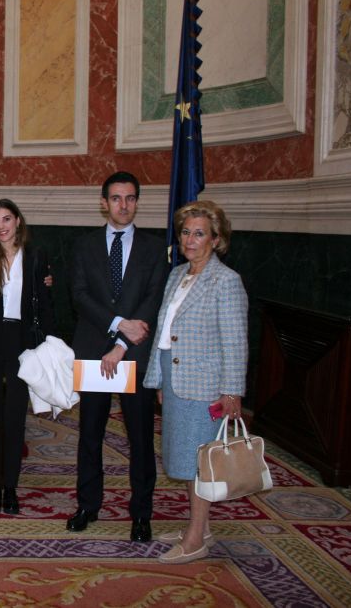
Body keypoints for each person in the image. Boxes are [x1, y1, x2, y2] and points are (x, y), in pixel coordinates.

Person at [66, 171, 168, 543]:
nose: (123, 205)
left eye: (130, 198)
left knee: (140, 439)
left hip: (133, 355)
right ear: (104, 202)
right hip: (93, 351)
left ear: (137, 202)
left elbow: (152, 300)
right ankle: (87, 505)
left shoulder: (156, 249)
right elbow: (79, 295)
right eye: (116, 198)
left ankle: (141, 514)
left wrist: (123, 344)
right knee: (89, 435)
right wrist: (118, 324)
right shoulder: (84, 245)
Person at [144, 200, 247, 564]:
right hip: (175, 381)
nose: (190, 240)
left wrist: (232, 390)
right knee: (187, 459)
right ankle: (200, 527)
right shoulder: (178, 275)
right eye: (186, 232)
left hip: (205, 387)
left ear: (216, 239)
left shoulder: (226, 281)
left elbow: (235, 341)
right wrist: (158, 379)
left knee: (203, 462)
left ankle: (195, 539)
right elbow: (164, 332)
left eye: (199, 233)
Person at [0, 199, 55, 515]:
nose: (1, 226)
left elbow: (43, 307)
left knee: (15, 417)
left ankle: (11, 487)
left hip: (22, 343)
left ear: (17, 221)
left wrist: (45, 347)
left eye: (6, 219)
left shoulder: (36, 256)